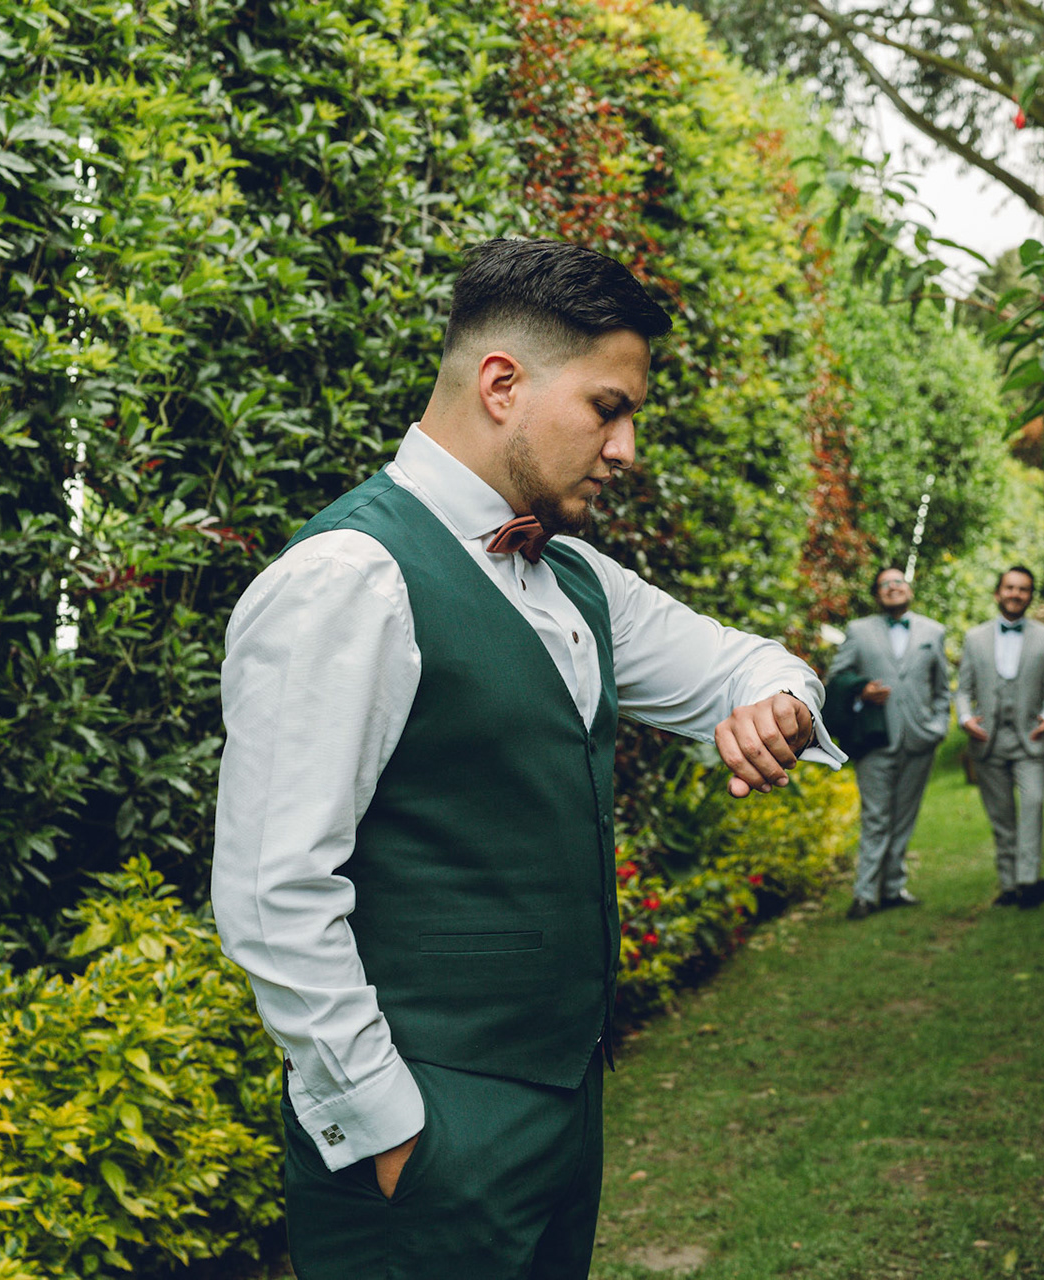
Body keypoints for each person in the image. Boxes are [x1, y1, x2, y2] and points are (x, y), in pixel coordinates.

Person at [211, 239, 842, 1280]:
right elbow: (272, 892)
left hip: (560, 1118)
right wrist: (391, 1129)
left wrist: (778, 704)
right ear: (502, 384)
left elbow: (746, 663)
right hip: (427, 1137)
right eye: (607, 408)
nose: (626, 448)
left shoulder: (575, 576)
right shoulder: (349, 578)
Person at [826, 566, 951, 919]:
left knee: (904, 817)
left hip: (919, 739)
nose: (893, 587)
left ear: (909, 589)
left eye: (898, 581)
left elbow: (942, 688)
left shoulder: (933, 631)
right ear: (877, 594)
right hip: (875, 738)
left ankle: (893, 888)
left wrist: (938, 726)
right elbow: (836, 677)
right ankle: (865, 894)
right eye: (885, 584)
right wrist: (860, 689)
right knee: (876, 817)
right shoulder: (858, 631)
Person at [957, 566, 1044, 908]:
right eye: (1010, 587)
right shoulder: (975, 637)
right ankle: (1009, 885)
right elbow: (963, 690)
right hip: (988, 742)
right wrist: (965, 718)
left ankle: (1029, 881)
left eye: (1023, 589)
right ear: (998, 593)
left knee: (1033, 807)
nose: (1016, 594)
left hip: (1031, 740)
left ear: (1030, 596)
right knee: (1001, 818)